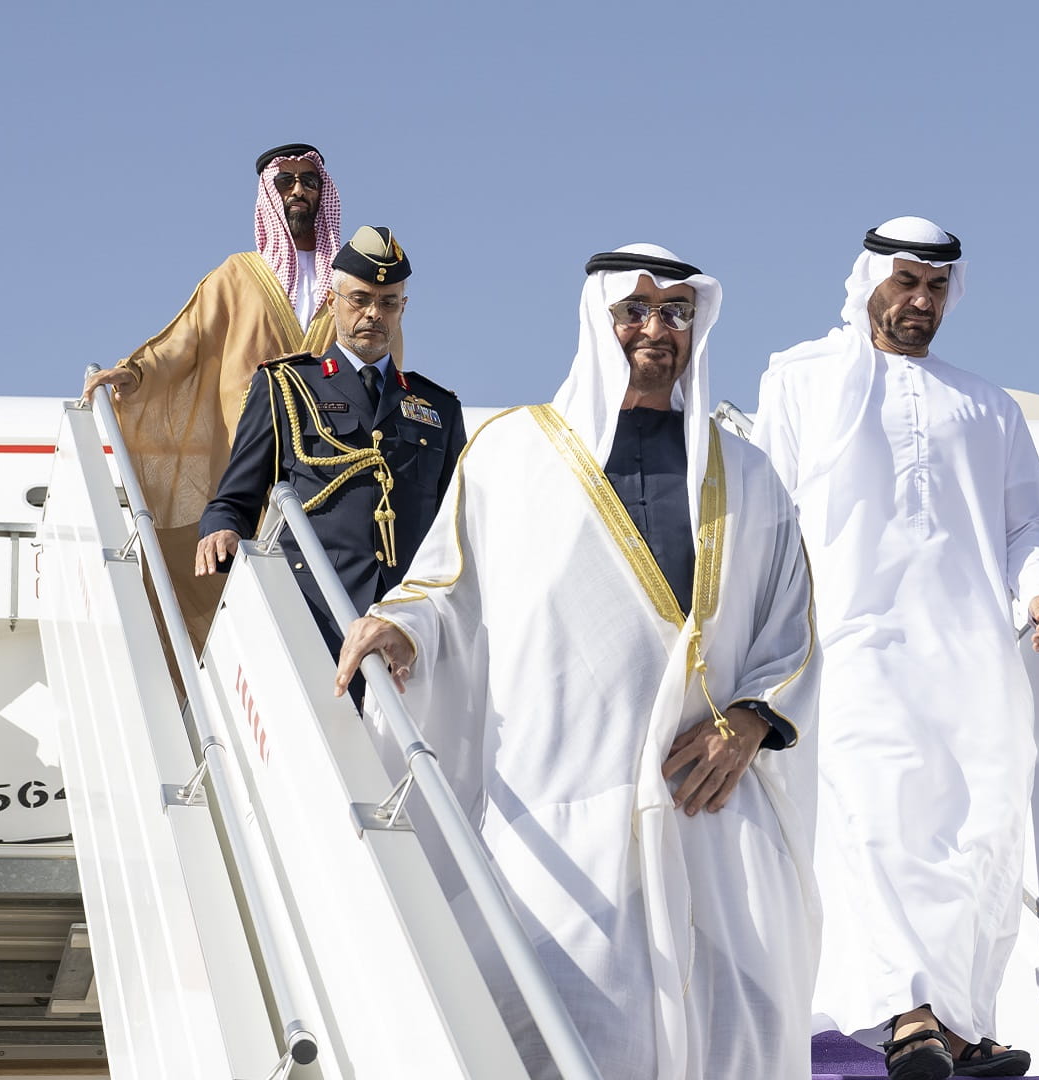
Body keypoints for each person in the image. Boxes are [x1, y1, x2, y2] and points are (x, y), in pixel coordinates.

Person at [332, 245, 819, 1080]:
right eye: (636, 310)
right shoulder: (513, 452)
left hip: (709, 802)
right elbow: (447, 579)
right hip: (557, 804)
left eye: (676, 313)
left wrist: (749, 721)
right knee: (558, 1027)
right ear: (599, 319)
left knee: (741, 1024)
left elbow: (793, 623)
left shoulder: (748, 471)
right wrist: (400, 628)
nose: (656, 330)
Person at [751, 217, 1039, 1080]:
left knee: (981, 829)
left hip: (970, 650)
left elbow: (1029, 523)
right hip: (851, 642)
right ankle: (910, 1013)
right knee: (879, 819)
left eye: (936, 288)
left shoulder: (986, 403)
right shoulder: (800, 378)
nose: (919, 302)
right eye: (904, 283)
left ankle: (964, 1023)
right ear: (867, 281)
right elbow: (764, 507)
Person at [82, 143, 350, 646]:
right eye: (285, 182)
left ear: (323, 194)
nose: (298, 191)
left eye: (309, 182)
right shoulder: (239, 276)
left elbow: (382, 359)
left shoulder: (348, 283)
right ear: (269, 193)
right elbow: (185, 343)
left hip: (326, 461)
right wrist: (133, 373)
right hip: (247, 453)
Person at [198, 226, 462, 670]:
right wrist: (221, 528)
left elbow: (457, 520)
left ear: (402, 309)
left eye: (388, 302)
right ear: (331, 301)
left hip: (406, 622)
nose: (373, 314)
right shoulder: (287, 385)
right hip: (312, 611)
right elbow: (235, 498)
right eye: (360, 299)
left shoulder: (438, 406)